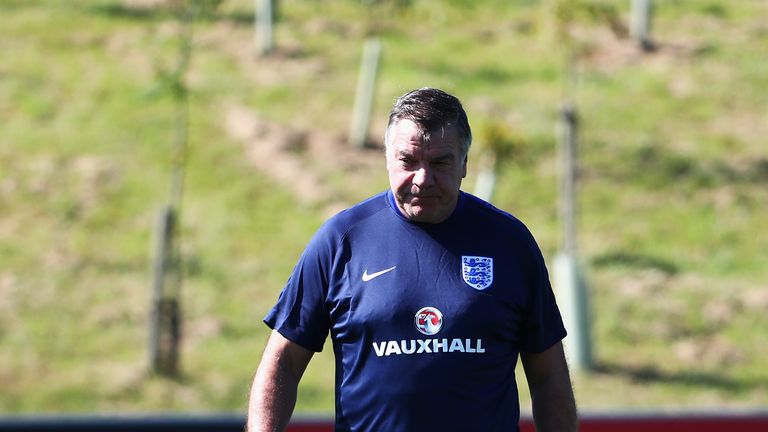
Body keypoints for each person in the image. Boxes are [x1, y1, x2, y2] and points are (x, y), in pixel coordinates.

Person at [248, 88, 578, 431]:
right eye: (408, 161)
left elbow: (548, 375)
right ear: (388, 158)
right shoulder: (342, 241)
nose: (423, 179)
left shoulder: (510, 243)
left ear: (464, 163)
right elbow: (283, 361)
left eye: (440, 163)